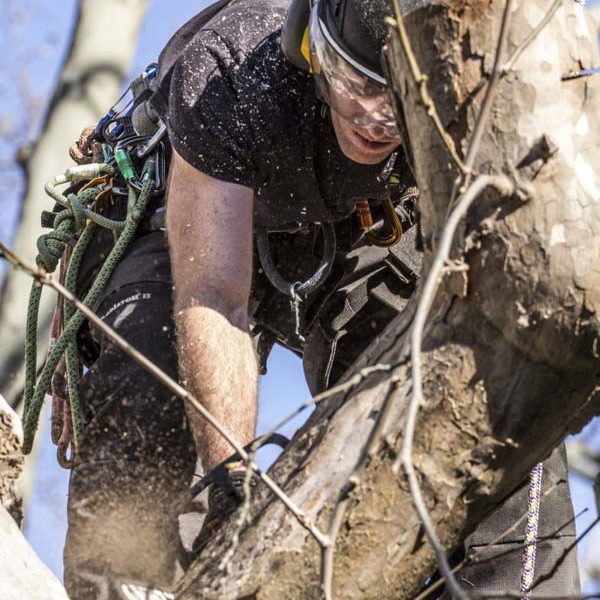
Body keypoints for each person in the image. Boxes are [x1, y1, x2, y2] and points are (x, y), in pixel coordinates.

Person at [62, 0, 580, 597]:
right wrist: (233, 479)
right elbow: (213, 297)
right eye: (357, 83)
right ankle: (122, 580)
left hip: (365, 222)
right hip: (189, 225)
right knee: (150, 375)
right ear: (310, 49)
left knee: (485, 383)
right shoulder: (230, 75)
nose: (376, 118)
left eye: (397, 98)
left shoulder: (473, 82)